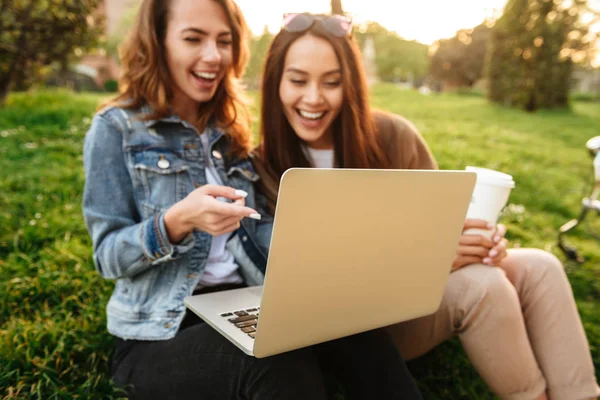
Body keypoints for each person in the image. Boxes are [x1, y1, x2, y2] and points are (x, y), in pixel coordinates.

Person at [82, 1, 423, 399]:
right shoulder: (116, 130)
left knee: (352, 322)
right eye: (194, 38)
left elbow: (260, 229)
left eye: (224, 41)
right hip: (161, 332)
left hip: (243, 306)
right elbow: (107, 256)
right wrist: (176, 222)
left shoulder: (229, 134)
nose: (213, 56)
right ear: (158, 42)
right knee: (269, 359)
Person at [252, 12, 600, 400]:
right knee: (481, 286)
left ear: (349, 84)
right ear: (275, 82)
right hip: (356, 330)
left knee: (540, 266)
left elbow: (444, 225)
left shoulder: (393, 135)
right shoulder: (262, 167)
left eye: (331, 82)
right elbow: (311, 288)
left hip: (420, 296)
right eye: (298, 80)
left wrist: (479, 241)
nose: (314, 98)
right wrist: (434, 260)